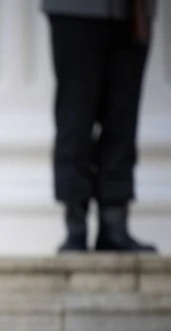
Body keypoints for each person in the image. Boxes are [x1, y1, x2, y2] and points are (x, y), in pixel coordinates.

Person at [43, 0, 157, 252]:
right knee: (74, 118)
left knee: (123, 118)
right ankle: (75, 225)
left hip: (132, 11)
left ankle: (114, 224)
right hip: (77, 10)